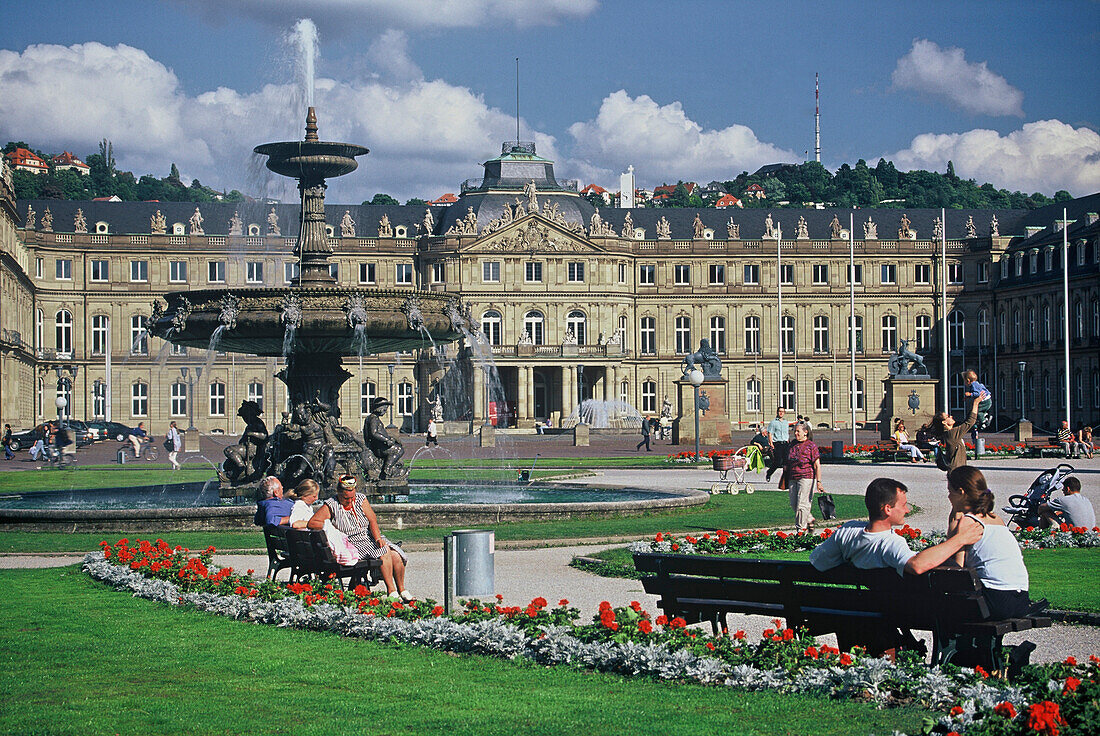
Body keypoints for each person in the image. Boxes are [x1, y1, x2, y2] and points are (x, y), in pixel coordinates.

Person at [810, 477, 984, 656]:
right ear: (887, 509)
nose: (907, 510)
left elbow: (817, 561)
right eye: (903, 505)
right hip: (897, 611)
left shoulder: (847, 532)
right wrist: (961, 539)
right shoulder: (891, 543)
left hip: (857, 609)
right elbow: (916, 566)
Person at [945, 466, 1034, 619]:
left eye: (950, 491)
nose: (948, 497)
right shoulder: (996, 519)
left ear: (961, 492)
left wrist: (951, 527)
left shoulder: (966, 522)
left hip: (995, 600)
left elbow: (957, 569)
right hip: (1020, 599)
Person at [308, 474, 411, 601]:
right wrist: (330, 526)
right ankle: (391, 590)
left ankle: (402, 590)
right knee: (384, 551)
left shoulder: (361, 499)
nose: (350, 501)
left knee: (396, 554)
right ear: (339, 493)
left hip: (369, 536)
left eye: (352, 497)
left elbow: (372, 519)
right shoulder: (331, 504)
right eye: (346, 498)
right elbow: (312, 522)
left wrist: (378, 538)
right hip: (352, 542)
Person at [783, 421, 821, 532]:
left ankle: (800, 530)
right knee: (794, 504)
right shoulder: (792, 444)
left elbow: (817, 465)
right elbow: (788, 458)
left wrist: (819, 482)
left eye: (798, 431)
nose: (795, 433)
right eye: (794, 431)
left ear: (805, 432)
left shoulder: (811, 446)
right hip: (792, 476)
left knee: (802, 505)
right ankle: (809, 519)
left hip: (806, 477)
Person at [928, 396, 981, 472]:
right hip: (957, 472)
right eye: (948, 416)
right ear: (944, 422)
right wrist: (976, 403)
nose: (951, 416)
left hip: (957, 471)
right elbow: (970, 422)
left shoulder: (948, 433)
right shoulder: (951, 434)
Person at [962, 370, 992, 434]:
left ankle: (985, 420)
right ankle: (981, 421)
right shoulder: (977, 384)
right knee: (977, 412)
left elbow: (977, 394)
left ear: (968, 380)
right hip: (987, 401)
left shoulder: (974, 385)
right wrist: (968, 397)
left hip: (985, 402)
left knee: (976, 412)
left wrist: (970, 394)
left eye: (964, 381)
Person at [764, 407, 789, 482]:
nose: (781, 413)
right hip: (777, 443)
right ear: (777, 412)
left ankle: (785, 479)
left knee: (786, 462)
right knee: (777, 462)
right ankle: (769, 472)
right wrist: (771, 443)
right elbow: (770, 433)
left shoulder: (785, 422)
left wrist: (788, 441)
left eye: (782, 411)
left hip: (785, 443)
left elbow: (786, 433)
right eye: (779, 411)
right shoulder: (773, 422)